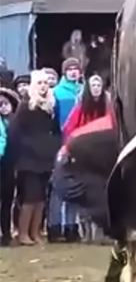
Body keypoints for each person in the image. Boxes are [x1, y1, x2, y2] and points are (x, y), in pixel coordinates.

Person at [10, 70, 61, 245]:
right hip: (28, 160)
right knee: (31, 196)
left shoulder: (50, 106)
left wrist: (54, 146)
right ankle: (23, 233)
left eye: (46, 83)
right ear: (34, 85)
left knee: (41, 198)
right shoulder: (26, 105)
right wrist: (25, 150)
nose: (43, 86)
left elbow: (54, 131)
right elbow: (16, 131)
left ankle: (36, 232)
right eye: (40, 83)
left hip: (45, 159)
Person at [49, 59, 83, 243]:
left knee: (75, 185)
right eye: (69, 69)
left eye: (76, 69)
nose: (73, 72)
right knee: (57, 186)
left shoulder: (83, 91)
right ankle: (54, 227)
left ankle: (72, 227)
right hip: (61, 142)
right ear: (64, 72)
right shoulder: (57, 93)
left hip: (80, 144)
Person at [0, 87, 19, 246]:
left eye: (6, 103)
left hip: (10, 166)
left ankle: (6, 233)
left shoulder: (15, 122)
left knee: (7, 201)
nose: (3, 107)